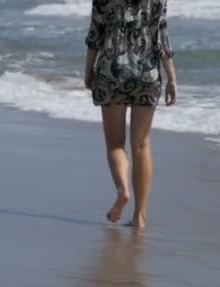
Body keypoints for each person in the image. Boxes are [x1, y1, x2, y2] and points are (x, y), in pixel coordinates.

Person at [84, 0, 177, 229]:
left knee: (116, 145)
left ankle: (123, 190)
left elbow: (96, 33)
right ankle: (140, 217)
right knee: (142, 146)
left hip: (112, 70)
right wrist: (172, 78)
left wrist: (89, 69)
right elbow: (161, 35)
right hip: (147, 72)